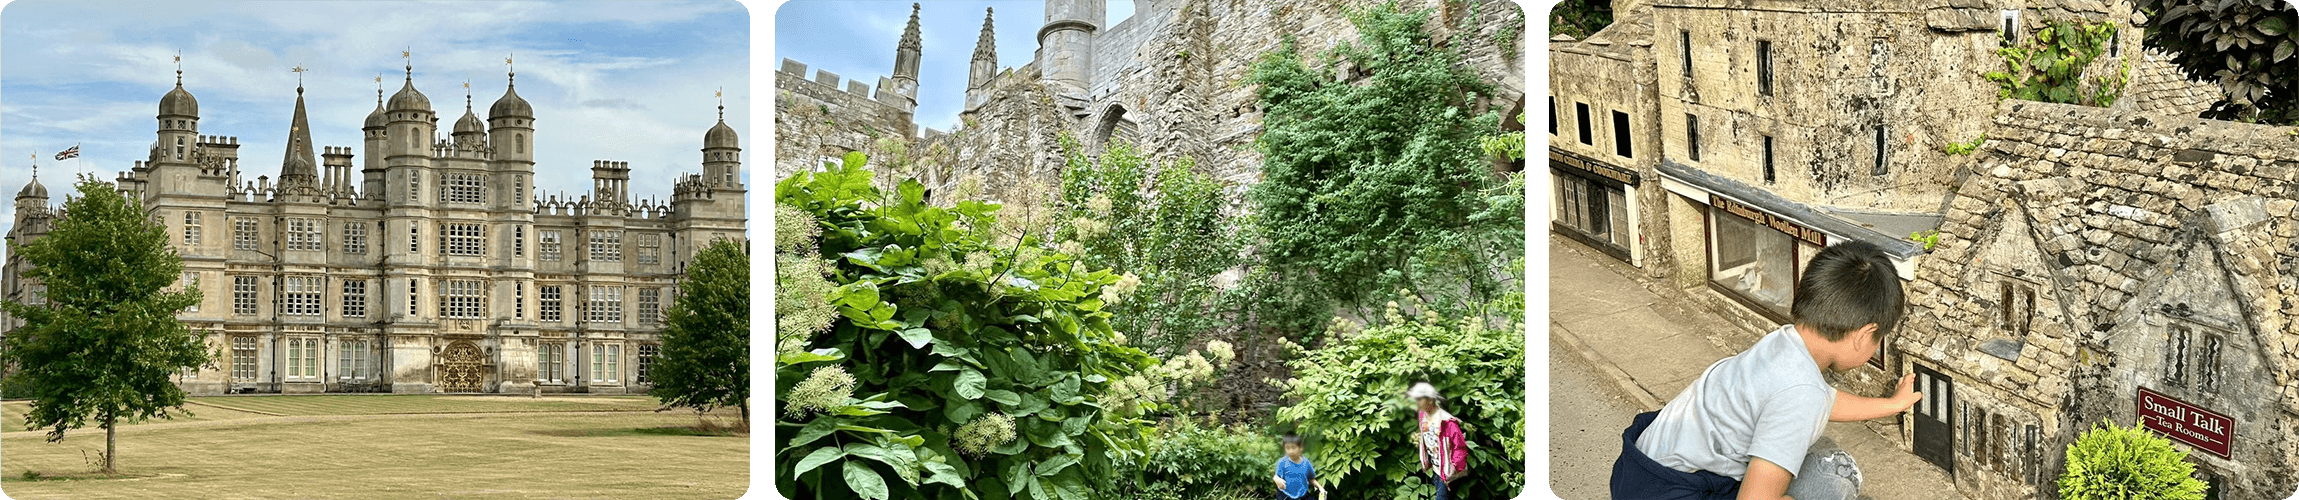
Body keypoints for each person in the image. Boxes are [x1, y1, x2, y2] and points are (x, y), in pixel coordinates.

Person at [1610, 240, 1924, 500]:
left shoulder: (1785, 343)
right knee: (1832, 475)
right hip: (1671, 491)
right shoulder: (1801, 394)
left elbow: (1821, 401)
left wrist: (1891, 405)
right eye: (1878, 341)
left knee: (1814, 451)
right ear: (1864, 335)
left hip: (1639, 472)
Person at [1407, 382, 1468, 500]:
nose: (1416, 403)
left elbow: (1460, 447)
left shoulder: (1447, 422)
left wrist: (1453, 469)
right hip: (1436, 468)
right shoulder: (1423, 415)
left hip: (1448, 472)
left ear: (1430, 400)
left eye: (1419, 400)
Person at [1271, 433, 1326, 500]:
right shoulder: (1282, 462)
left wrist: (1320, 488)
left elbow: (1311, 479)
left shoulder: (1306, 463)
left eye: (1293, 448)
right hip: (1286, 496)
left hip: (1303, 495)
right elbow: (1277, 477)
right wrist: (1277, 480)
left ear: (1301, 448)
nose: (1291, 451)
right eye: (1288, 448)